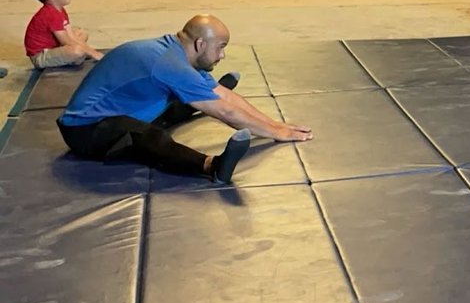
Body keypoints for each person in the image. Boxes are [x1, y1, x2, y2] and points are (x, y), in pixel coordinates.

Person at [56, 15, 313, 183]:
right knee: (147, 136)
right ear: (201, 44)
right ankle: (211, 166)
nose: (222, 56)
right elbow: (226, 112)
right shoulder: (170, 65)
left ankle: (199, 96)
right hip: (84, 130)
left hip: (125, 109)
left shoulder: (176, 53)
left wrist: (276, 125)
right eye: (220, 47)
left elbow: (225, 97)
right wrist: (275, 133)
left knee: (181, 98)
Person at [25, 0, 103, 69]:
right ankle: (74, 59)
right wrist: (91, 52)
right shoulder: (50, 14)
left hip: (54, 48)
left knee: (81, 34)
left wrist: (89, 50)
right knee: (77, 51)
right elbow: (66, 41)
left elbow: (70, 35)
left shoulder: (60, 10)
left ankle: (73, 57)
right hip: (41, 56)